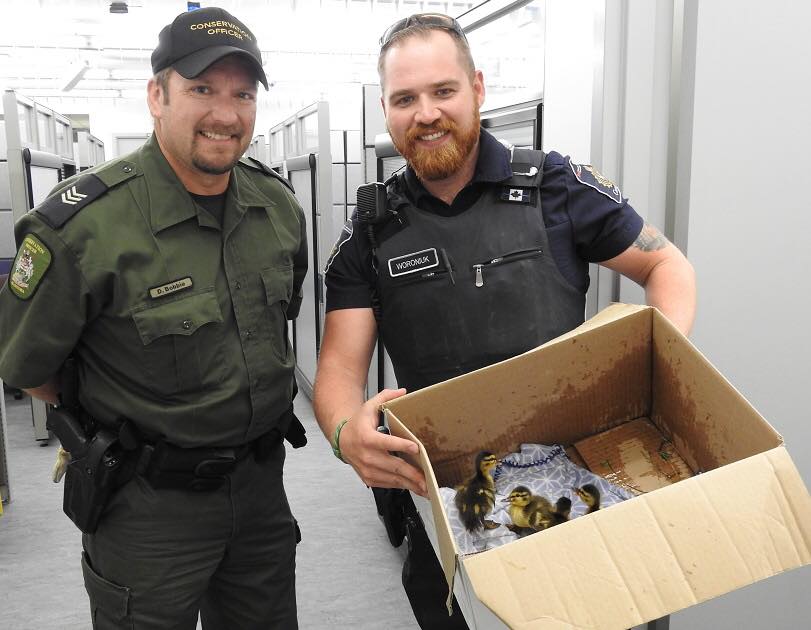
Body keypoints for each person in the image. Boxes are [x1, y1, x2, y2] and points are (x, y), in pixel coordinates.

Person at [312, 12, 696, 630]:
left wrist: (663, 367)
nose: (426, 113)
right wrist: (341, 432)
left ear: (478, 89)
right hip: (448, 497)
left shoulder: (554, 186)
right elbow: (337, 366)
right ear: (386, 110)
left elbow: (666, 268)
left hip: (582, 486)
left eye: (443, 91)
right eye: (404, 99)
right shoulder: (372, 228)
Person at [0, 7, 307, 629]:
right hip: (145, 509)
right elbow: (30, 366)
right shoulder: (83, 227)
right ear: (156, 96)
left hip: (259, 493)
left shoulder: (275, 206)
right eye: (201, 89)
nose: (225, 113)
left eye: (242, 94)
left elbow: (280, 323)